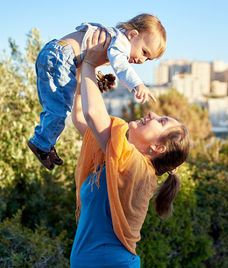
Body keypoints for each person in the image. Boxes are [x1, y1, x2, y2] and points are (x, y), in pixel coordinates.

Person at [70, 29, 189, 268]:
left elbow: (94, 114)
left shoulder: (137, 169)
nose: (152, 114)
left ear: (157, 146)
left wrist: (91, 63)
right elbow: (82, 120)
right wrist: (82, 71)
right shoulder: (117, 157)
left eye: (161, 121)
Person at [27, 13, 167, 171]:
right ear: (133, 35)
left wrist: (95, 74)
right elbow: (121, 66)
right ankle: (41, 143)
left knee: (56, 106)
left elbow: (91, 54)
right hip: (61, 58)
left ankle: (46, 142)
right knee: (59, 108)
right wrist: (137, 84)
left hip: (56, 54)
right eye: (144, 52)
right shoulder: (121, 43)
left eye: (147, 59)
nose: (142, 60)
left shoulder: (113, 36)